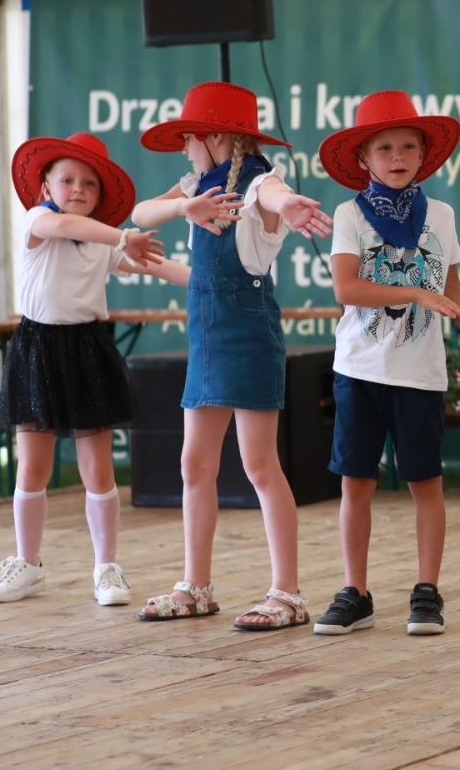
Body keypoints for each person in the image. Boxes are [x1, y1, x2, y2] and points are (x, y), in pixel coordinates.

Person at [311, 90, 460, 637]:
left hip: (419, 374)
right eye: (385, 148)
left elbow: (453, 288)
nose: (398, 157)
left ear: (423, 155)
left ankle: (426, 592)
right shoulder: (349, 214)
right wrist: (416, 293)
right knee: (356, 484)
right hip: (360, 369)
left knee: (426, 482)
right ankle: (355, 592)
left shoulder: (440, 215)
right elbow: (347, 287)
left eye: (408, 147)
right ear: (364, 158)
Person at [132, 81, 333, 631]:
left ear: (214, 136)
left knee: (260, 464)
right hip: (206, 338)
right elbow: (142, 213)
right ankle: (195, 586)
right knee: (193, 463)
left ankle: (287, 593)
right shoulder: (196, 186)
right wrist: (185, 208)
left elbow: (274, 195)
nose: (183, 150)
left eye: (188, 139)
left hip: (248, 334)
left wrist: (289, 204)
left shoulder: (260, 181)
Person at [0, 132, 183, 606]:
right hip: (37, 348)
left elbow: (155, 265)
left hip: (87, 350)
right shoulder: (38, 221)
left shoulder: (102, 241)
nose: (78, 189)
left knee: (97, 468)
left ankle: (106, 568)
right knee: (33, 465)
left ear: (100, 196)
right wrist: (123, 236)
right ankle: (27, 563)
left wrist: (212, 282)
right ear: (45, 188)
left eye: (89, 183)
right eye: (68, 180)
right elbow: (65, 226)